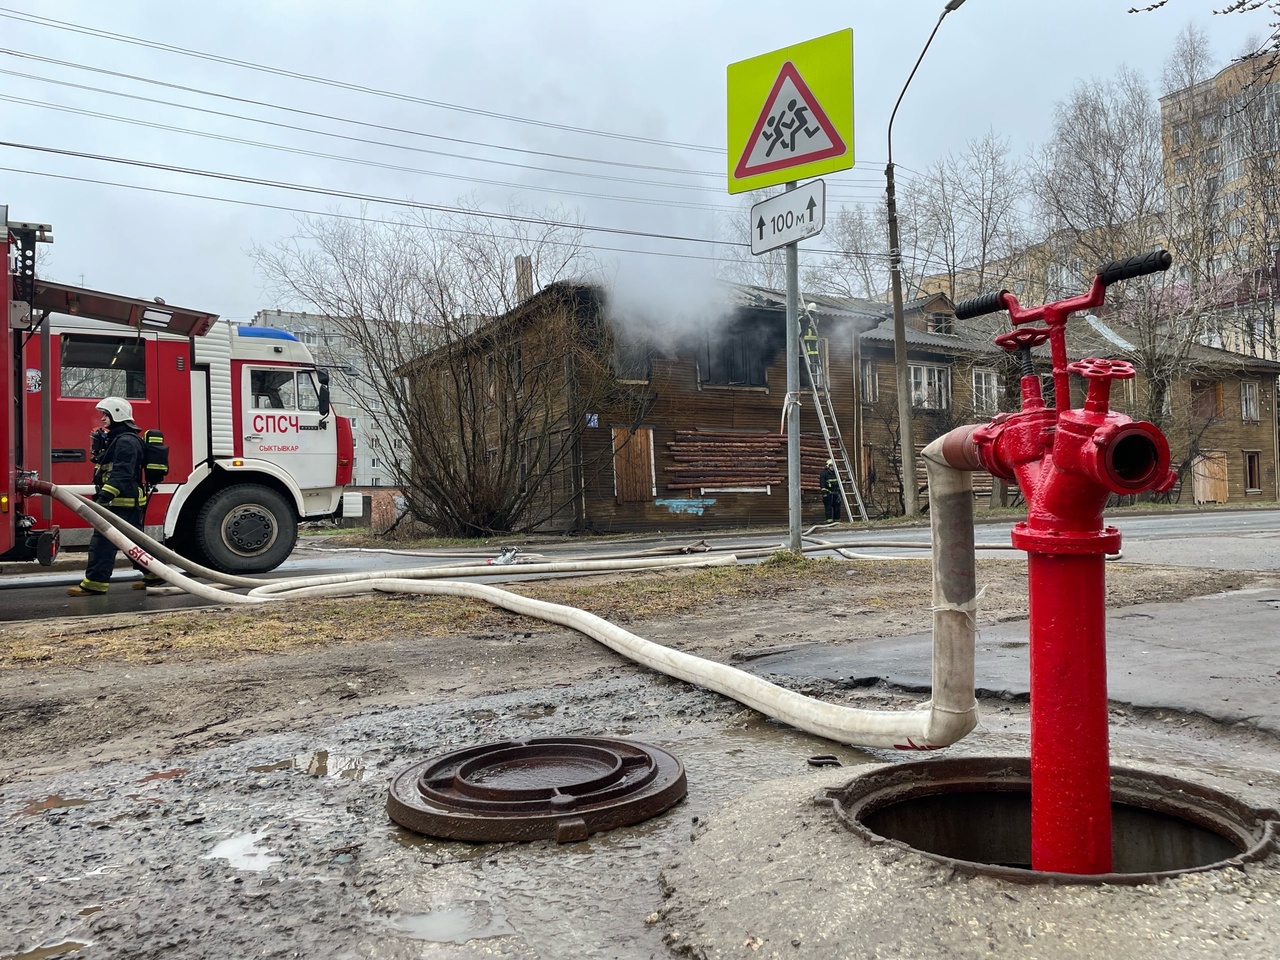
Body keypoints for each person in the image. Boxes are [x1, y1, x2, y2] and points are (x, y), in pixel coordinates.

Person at [68, 397, 161, 595]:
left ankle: (94, 584)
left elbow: (122, 473)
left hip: (121, 502)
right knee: (134, 543)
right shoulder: (121, 439)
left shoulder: (126, 441)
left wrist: (103, 497)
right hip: (124, 502)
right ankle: (155, 575)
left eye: (105, 414)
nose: (102, 419)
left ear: (117, 413)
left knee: (102, 543)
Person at [819, 458, 842, 524]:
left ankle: (837, 521)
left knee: (837, 507)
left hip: (836, 493)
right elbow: (822, 483)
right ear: (828, 466)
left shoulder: (836, 473)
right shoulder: (824, 474)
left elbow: (840, 481)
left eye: (833, 466)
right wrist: (824, 493)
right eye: (831, 466)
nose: (832, 467)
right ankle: (829, 521)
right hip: (828, 493)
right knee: (828, 507)